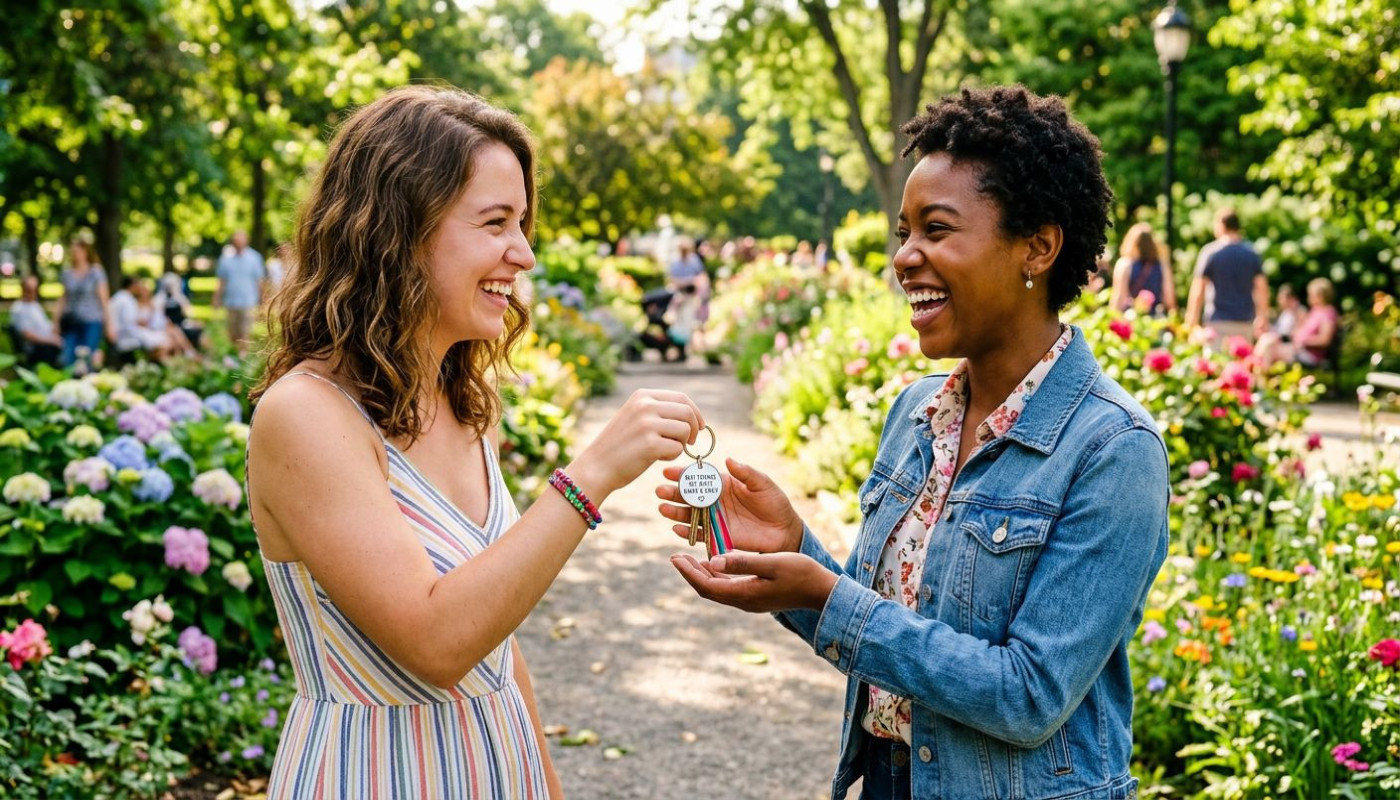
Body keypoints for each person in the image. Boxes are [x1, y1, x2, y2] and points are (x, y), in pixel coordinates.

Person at [659, 86, 1169, 800]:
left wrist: (829, 594)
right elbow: (891, 644)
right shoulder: (914, 413)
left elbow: (1028, 696)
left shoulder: (1113, 450)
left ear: (1039, 246)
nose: (905, 257)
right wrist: (792, 552)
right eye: (904, 232)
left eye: (936, 229)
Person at [245, 85, 705, 799]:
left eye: (522, 223)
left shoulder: (463, 403)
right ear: (398, 230)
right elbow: (436, 641)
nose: (522, 252)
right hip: (373, 777)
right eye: (495, 222)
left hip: (497, 766)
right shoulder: (305, 416)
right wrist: (591, 474)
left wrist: (545, 786)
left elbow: (494, 639)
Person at [1184, 207, 1268, 343]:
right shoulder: (1251, 253)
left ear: (1221, 225)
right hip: (1244, 320)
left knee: (1216, 361)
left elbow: (1198, 289)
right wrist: (1262, 316)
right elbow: (1261, 287)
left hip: (1217, 321)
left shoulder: (1210, 252)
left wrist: (1192, 320)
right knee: (1240, 361)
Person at [51, 238, 110, 369]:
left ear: (85, 252)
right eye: (73, 251)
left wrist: (109, 323)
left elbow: (104, 300)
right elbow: (63, 298)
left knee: (87, 358)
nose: (75, 254)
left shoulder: (96, 272)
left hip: (92, 320)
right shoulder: (67, 273)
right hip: (72, 321)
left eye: (78, 251)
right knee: (68, 357)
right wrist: (55, 321)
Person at [108, 275, 196, 362]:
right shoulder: (127, 300)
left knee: (171, 336)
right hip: (129, 336)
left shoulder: (120, 298)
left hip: (128, 334)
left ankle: (183, 358)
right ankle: (178, 360)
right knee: (166, 342)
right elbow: (131, 323)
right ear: (133, 285)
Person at [1255, 277, 1339, 367]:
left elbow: (1324, 340)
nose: (1309, 298)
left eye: (1312, 295)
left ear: (1321, 296)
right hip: (1299, 349)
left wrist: (1303, 341)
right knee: (1267, 340)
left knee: (1268, 349)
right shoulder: (1315, 311)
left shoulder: (1327, 313)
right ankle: (1257, 373)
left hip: (1309, 355)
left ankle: (1259, 375)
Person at [214, 229, 267, 356]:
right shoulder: (226, 259)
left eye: (240, 240)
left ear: (246, 241)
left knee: (245, 331)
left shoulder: (255, 258)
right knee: (233, 332)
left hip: (248, 301)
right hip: (231, 301)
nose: (238, 243)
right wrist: (216, 299)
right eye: (236, 240)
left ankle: (242, 356)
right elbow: (221, 281)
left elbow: (260, 281)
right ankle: (235, 354)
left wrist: (263, 299)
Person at [1109, 221, 1176, 315]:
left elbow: (1119, 297)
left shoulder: (1124, 264)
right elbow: (1169, 299)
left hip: (1131, 317)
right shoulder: (1162, 265)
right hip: (1155, 319)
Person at [666, 239, 711, 357]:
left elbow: (700, 278)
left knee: (691, 322)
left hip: (692, 296)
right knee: (680, 323)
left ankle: (688, 348)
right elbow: (673, 281)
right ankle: (681, 348)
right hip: (681, 296)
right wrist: (688, 281)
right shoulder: (676, 262)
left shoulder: (694, 261)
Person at [8, 274, 63, 367]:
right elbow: (27, 335)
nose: (33, 293)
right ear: (23, 289)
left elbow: (44, 324)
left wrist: (55, 330)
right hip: (37, 348)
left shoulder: (34, 305)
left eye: (35, 290)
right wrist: (51, 340)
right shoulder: (20, 309)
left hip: (47, 341)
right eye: (30, 290)